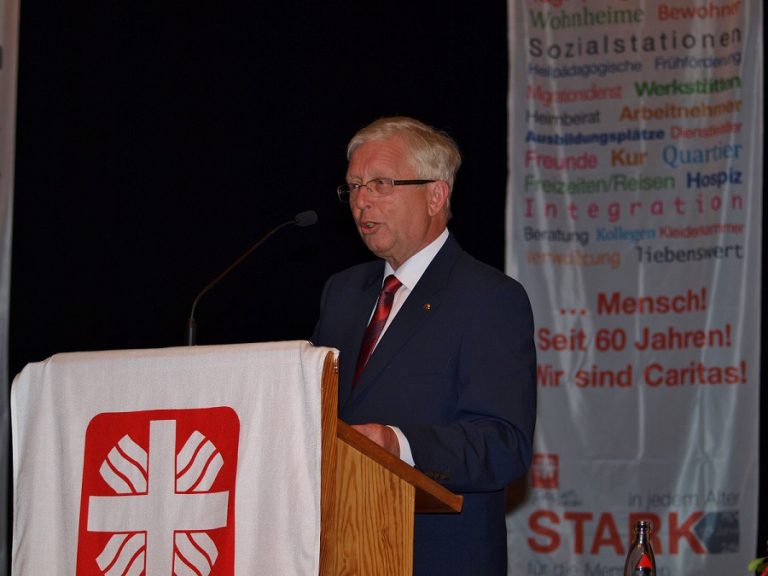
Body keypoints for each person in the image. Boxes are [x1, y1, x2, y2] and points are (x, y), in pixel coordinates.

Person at [311, 116, 536, 575]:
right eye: (353, 187)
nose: (361, 201)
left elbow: (503, 444)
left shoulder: (489, 298)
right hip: (341, 548)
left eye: (381, 183)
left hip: (434, 555)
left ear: (436, 195)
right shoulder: (342, 293)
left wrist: (398, 443)